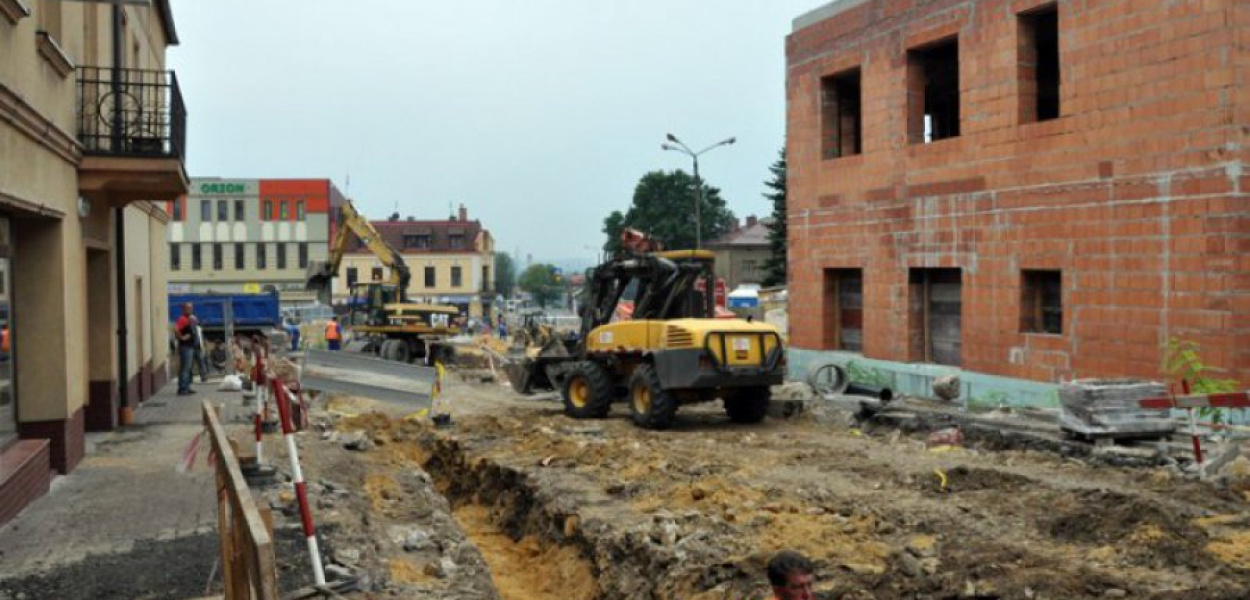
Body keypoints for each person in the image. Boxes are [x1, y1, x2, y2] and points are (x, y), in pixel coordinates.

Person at [173, 302, 197, 396]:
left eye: (191, 308)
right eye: (188, 308)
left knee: (188, 368)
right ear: (184, 309)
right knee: (185, 368)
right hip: (185, 347)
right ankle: (183, 389)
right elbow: (176, 329)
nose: (190, 309)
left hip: (190, 346)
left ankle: (187, 386)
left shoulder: (190, 318)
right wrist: (181, 337)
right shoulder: (182, 319)